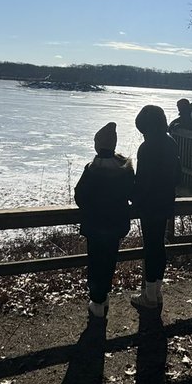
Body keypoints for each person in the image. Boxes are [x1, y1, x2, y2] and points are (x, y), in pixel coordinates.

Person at [74, 121, 135, 319]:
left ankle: (97, 302)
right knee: (109, 261)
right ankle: (104, 296)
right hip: (116, 224)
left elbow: (80, 196)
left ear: (98, 145)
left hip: (95, 224)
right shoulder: (125, 168)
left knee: (95, 262)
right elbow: (132, 193)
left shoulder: (92, 169)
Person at [131, 104, 182, 311]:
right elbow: (178, 175)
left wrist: (134, 197)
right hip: (166, 201)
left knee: (151, 247)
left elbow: (143, 180)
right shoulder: (171, 142)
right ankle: (157, 292)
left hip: (150, 204)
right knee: (159, 246)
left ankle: (149, 296)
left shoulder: (147, 147)